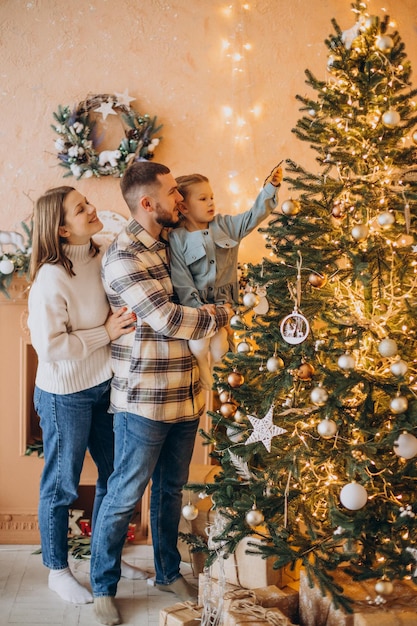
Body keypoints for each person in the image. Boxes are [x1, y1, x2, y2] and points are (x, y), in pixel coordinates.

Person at [89, 161, 232, 626]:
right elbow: (170, 319)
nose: (181, 199)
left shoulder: (175, 240)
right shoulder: (124, 256)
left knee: (171, 491)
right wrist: (224, 313)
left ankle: (168, 572)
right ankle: (102, 588)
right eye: (172, 193)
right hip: (144, 402)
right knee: (123, 495)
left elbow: (206, 276)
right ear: (147, 203)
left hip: (187, 395)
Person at [27, 186, 141, 605]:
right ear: (61, 229)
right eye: (81, 209)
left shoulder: (102, 255)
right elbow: (51, 347)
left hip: (105, 386)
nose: (92, 209)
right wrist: (104, 334)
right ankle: (58, 570)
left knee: (117, 477)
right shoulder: (50, 279)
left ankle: (105, 558)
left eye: (87, 202)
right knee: (62, 487)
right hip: (64, 395)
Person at [169, 164, 283, 389]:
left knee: (221, 345)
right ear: (183, 206)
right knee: (199, 345)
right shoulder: (177, 238)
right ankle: (203, 369)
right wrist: (196, 305)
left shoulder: (226, 225)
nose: (211, 202)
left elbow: (253, 216)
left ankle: (221, 384)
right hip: (198, 309)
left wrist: (271, 187)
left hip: (225, 306)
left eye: (211, 197)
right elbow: (181, 277)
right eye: (203, 199)